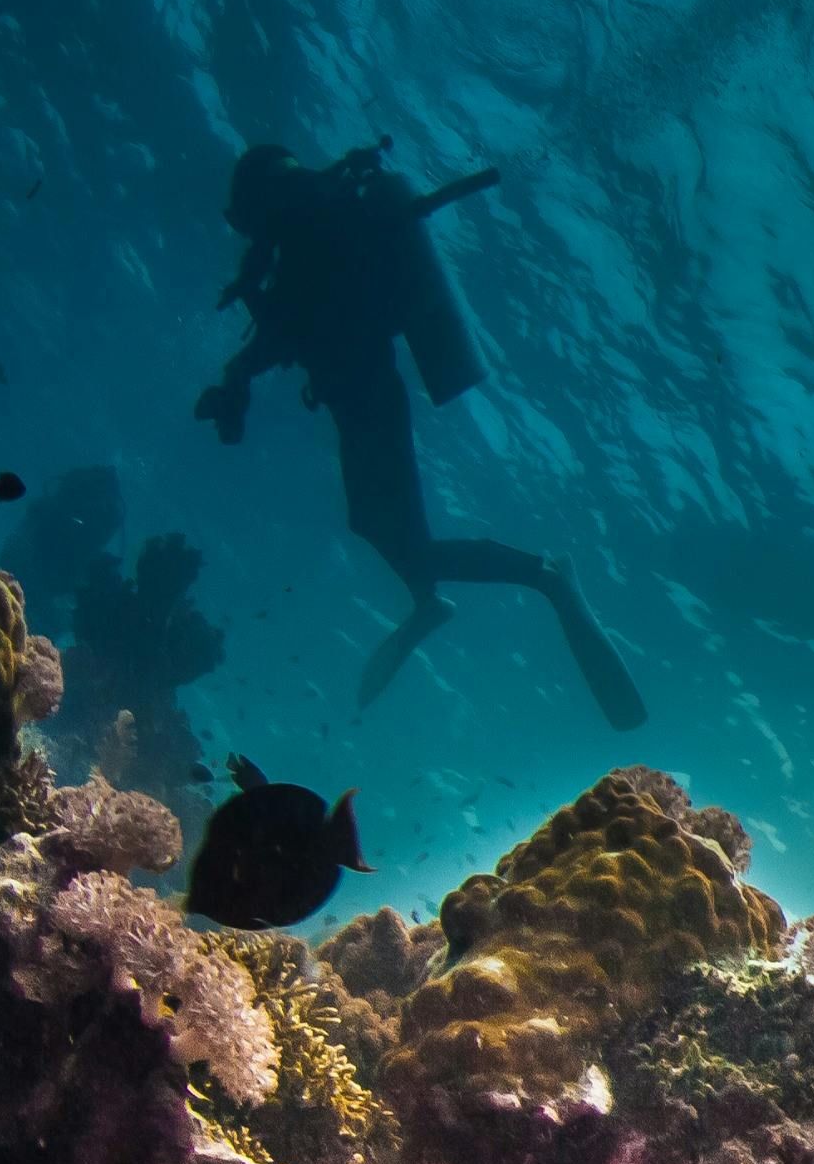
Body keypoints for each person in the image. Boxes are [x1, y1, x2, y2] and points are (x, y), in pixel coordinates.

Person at [195, 142, 647, 728]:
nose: (244, 229)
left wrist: (238, 375)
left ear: (259, 200)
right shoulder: (307, 234)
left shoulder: (308, 237)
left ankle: (546, 575)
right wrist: (237, 378)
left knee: (411, 542)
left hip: (372, 402)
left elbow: (290, 323)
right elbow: (293, 325)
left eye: (245, 215)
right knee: (373, 524)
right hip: (358, 402)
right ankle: (429, 600)